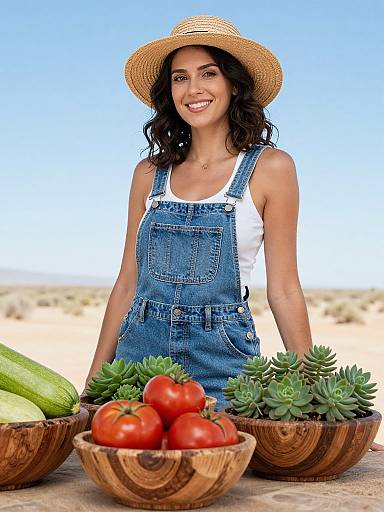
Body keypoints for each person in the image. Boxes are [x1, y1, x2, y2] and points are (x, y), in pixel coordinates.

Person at [81, 15, 383, 451]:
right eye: (180, 78)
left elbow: (283, 289)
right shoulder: (148, 174)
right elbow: (127, 283)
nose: (193, 89)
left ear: (235, 85)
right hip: (138, 365)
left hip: (223, 363)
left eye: (209, 73)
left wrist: (316, 402)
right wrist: (91, 388)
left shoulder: (271, 169)